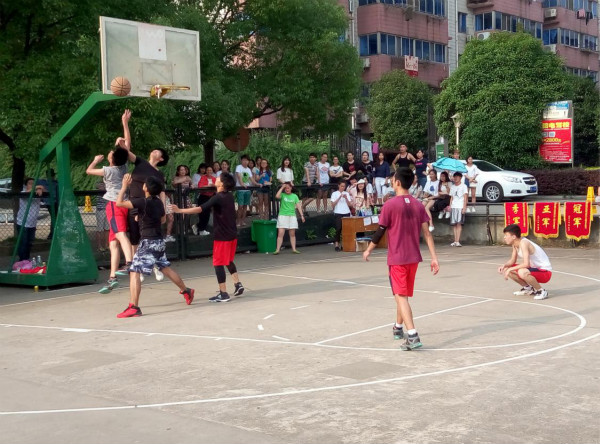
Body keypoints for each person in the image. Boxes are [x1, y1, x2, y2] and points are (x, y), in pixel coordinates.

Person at [363, 167, 439, 351]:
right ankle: (398, 327)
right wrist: (434, 258)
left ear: (397, 182)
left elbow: (380, 230)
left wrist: (368, 249)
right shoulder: (418, 205)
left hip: (397, 258)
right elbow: (427, 234)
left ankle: (412, 335)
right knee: (401, 294)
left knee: (401, 296)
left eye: (393, 179)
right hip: (413, 258)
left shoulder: (390, 205)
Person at [115, 174, 195, 318]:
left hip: (148, 242)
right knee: (164, 267)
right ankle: (186, 290)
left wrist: (124, 186)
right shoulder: (158, 202)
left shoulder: (142, 202)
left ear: (146, 188)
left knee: (134, 271)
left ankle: (134, 307)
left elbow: (119, 203)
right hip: (159, 241)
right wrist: (143, 217)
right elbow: (163, 219)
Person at [170, 172, 245, 302]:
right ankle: (237, 284)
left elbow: (199, 209)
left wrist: (179, 210)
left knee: (218, 263)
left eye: (218, 178)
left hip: (222, 236)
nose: (216, 179)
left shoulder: (218, 197)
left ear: (222, 184)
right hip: (232, 234)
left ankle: (223, 293)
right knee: (227, 260)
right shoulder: (229, 196)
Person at [85, 109, 134, 293]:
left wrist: (94, 160)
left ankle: (130, 262)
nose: (110, 152)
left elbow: (88, 171)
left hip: (114, 204)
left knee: (120, 235)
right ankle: (112, 277)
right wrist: (125, 123)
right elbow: (127, 145)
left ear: (111, 159)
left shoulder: (108, 170)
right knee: (113, 243)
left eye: (111, 152)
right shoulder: (124, 166)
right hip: (123, 203)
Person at [498, 224, 552, 300]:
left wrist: (510, 269)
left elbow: (526, 264)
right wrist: (504, 266)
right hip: (534, 269)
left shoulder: (524, 243)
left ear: (513, 237)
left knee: (522, 272)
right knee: (507, 269)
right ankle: (527, 288)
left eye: (506, 235)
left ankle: (541, 291)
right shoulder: (515, 244)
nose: (504, 237)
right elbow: (512, 260)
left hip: (545, 272)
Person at [15, 178, 45, 262]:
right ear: (26, 185)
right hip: (23, 222)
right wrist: (38, 187)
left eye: (34, 183)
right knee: (23, 243)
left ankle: (26, 259)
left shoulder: (37, 193)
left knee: (29, 242)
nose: (32, 185)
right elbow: (28, 193)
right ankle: (22, 260)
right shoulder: (23, 193)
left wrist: (40, 189)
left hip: (32, 223)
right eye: (30, 183)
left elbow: (44, 189)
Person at [273, 182, 305, 254]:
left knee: (292, 234)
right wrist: (282, 187)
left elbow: (298, 206)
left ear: (291, 188)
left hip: (292, 216)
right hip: (283, 216)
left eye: (288, 188)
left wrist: (302, 215)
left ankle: (294, 249)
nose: (287, 189)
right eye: (285, 188)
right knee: (280, 233)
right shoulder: (282, 195)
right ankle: (277, 250)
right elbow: (277, 196)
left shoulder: (294, 196)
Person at [235, 154, 258, 227]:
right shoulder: (239, 167)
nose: (245, 161)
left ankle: (243, 221)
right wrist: (242, 184)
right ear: (241, 161)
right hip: (240, 189)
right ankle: (238, 221)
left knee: (245, 206)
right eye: (244, 160)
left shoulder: (248, 169)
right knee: (240, 206)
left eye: (246, 160)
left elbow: (252, 179)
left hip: (247, 190)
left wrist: (257, 184)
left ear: (248, 161)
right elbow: (239, 176)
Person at [331, 181, 352, 252]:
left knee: (345, 229)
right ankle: (336, 244)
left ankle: (344, 244)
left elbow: (350, 205)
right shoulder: (334, 194)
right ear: (338, 186)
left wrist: (346, 198)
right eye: (341, 186)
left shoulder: (346, 193)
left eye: (344, 186)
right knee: (338, 228)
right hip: (338, 212)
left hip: (346, 212)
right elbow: (333, 204)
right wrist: (339, 197)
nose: (343, 187)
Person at [195, 165, 217, 235]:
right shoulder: (203, 177)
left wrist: (214, 185)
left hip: (211, 197)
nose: (209, 171)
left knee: (207, 214)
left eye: (210, 170)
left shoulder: (214, 178)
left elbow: (218, 186)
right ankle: (201, 229)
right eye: (208, 170)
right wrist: (208, 186)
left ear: (212, 171)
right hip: (203, 197)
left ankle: (200, 228)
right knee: (203, 214)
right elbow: (200, 186)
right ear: (206, 171)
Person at [449, 172, 468, 247]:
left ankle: (458, 241)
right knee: (454, 224)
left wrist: (464, 207)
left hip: (460, 206)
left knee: (459, 223)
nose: (455, 178)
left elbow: (465, 197)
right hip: (454, 206)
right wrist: (450, 206)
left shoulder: (464, 186)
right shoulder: (452, 187)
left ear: (460, 178)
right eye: (454, 177)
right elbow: (451, 197)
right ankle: (455, 240)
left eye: (457, 177)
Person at [94, 181, 109, 252]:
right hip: (100, 210)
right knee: (100, 229)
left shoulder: (108, 184)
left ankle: (106, 245)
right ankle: (99, 246)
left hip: (107, 209)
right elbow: (98, 186)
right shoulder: (99, 183)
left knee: (107, 229)